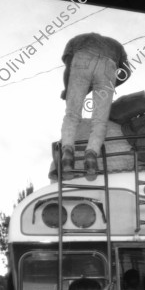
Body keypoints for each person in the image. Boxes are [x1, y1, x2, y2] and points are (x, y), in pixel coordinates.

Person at [60, 32, 131, 180]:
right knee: (100, 119)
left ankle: (67, 153)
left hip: (82, 58)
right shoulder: (116, 44)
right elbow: (127, 72)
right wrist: (112, 85)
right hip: (108, 66)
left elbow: (68, 69)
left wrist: (68, 91)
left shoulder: (75, 39)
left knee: (72, 114)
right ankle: (91, 156)